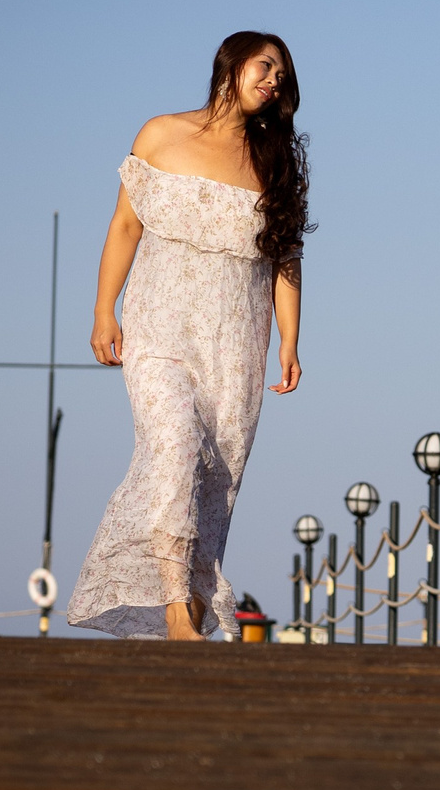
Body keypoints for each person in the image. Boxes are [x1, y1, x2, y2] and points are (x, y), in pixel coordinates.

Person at [68, 32, 308, 640]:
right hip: (158, 325)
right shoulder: (160, 134)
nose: (275, 79)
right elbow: (125, 224)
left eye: (283, 74)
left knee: (215, 476)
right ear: (231, 64)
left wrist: (289, 342)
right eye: (266, 65)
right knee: (174, 444)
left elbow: (286, 261)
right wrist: (104, 309)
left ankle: (194, 599)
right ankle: (177, 610)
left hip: (235, 339)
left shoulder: (272, 161)